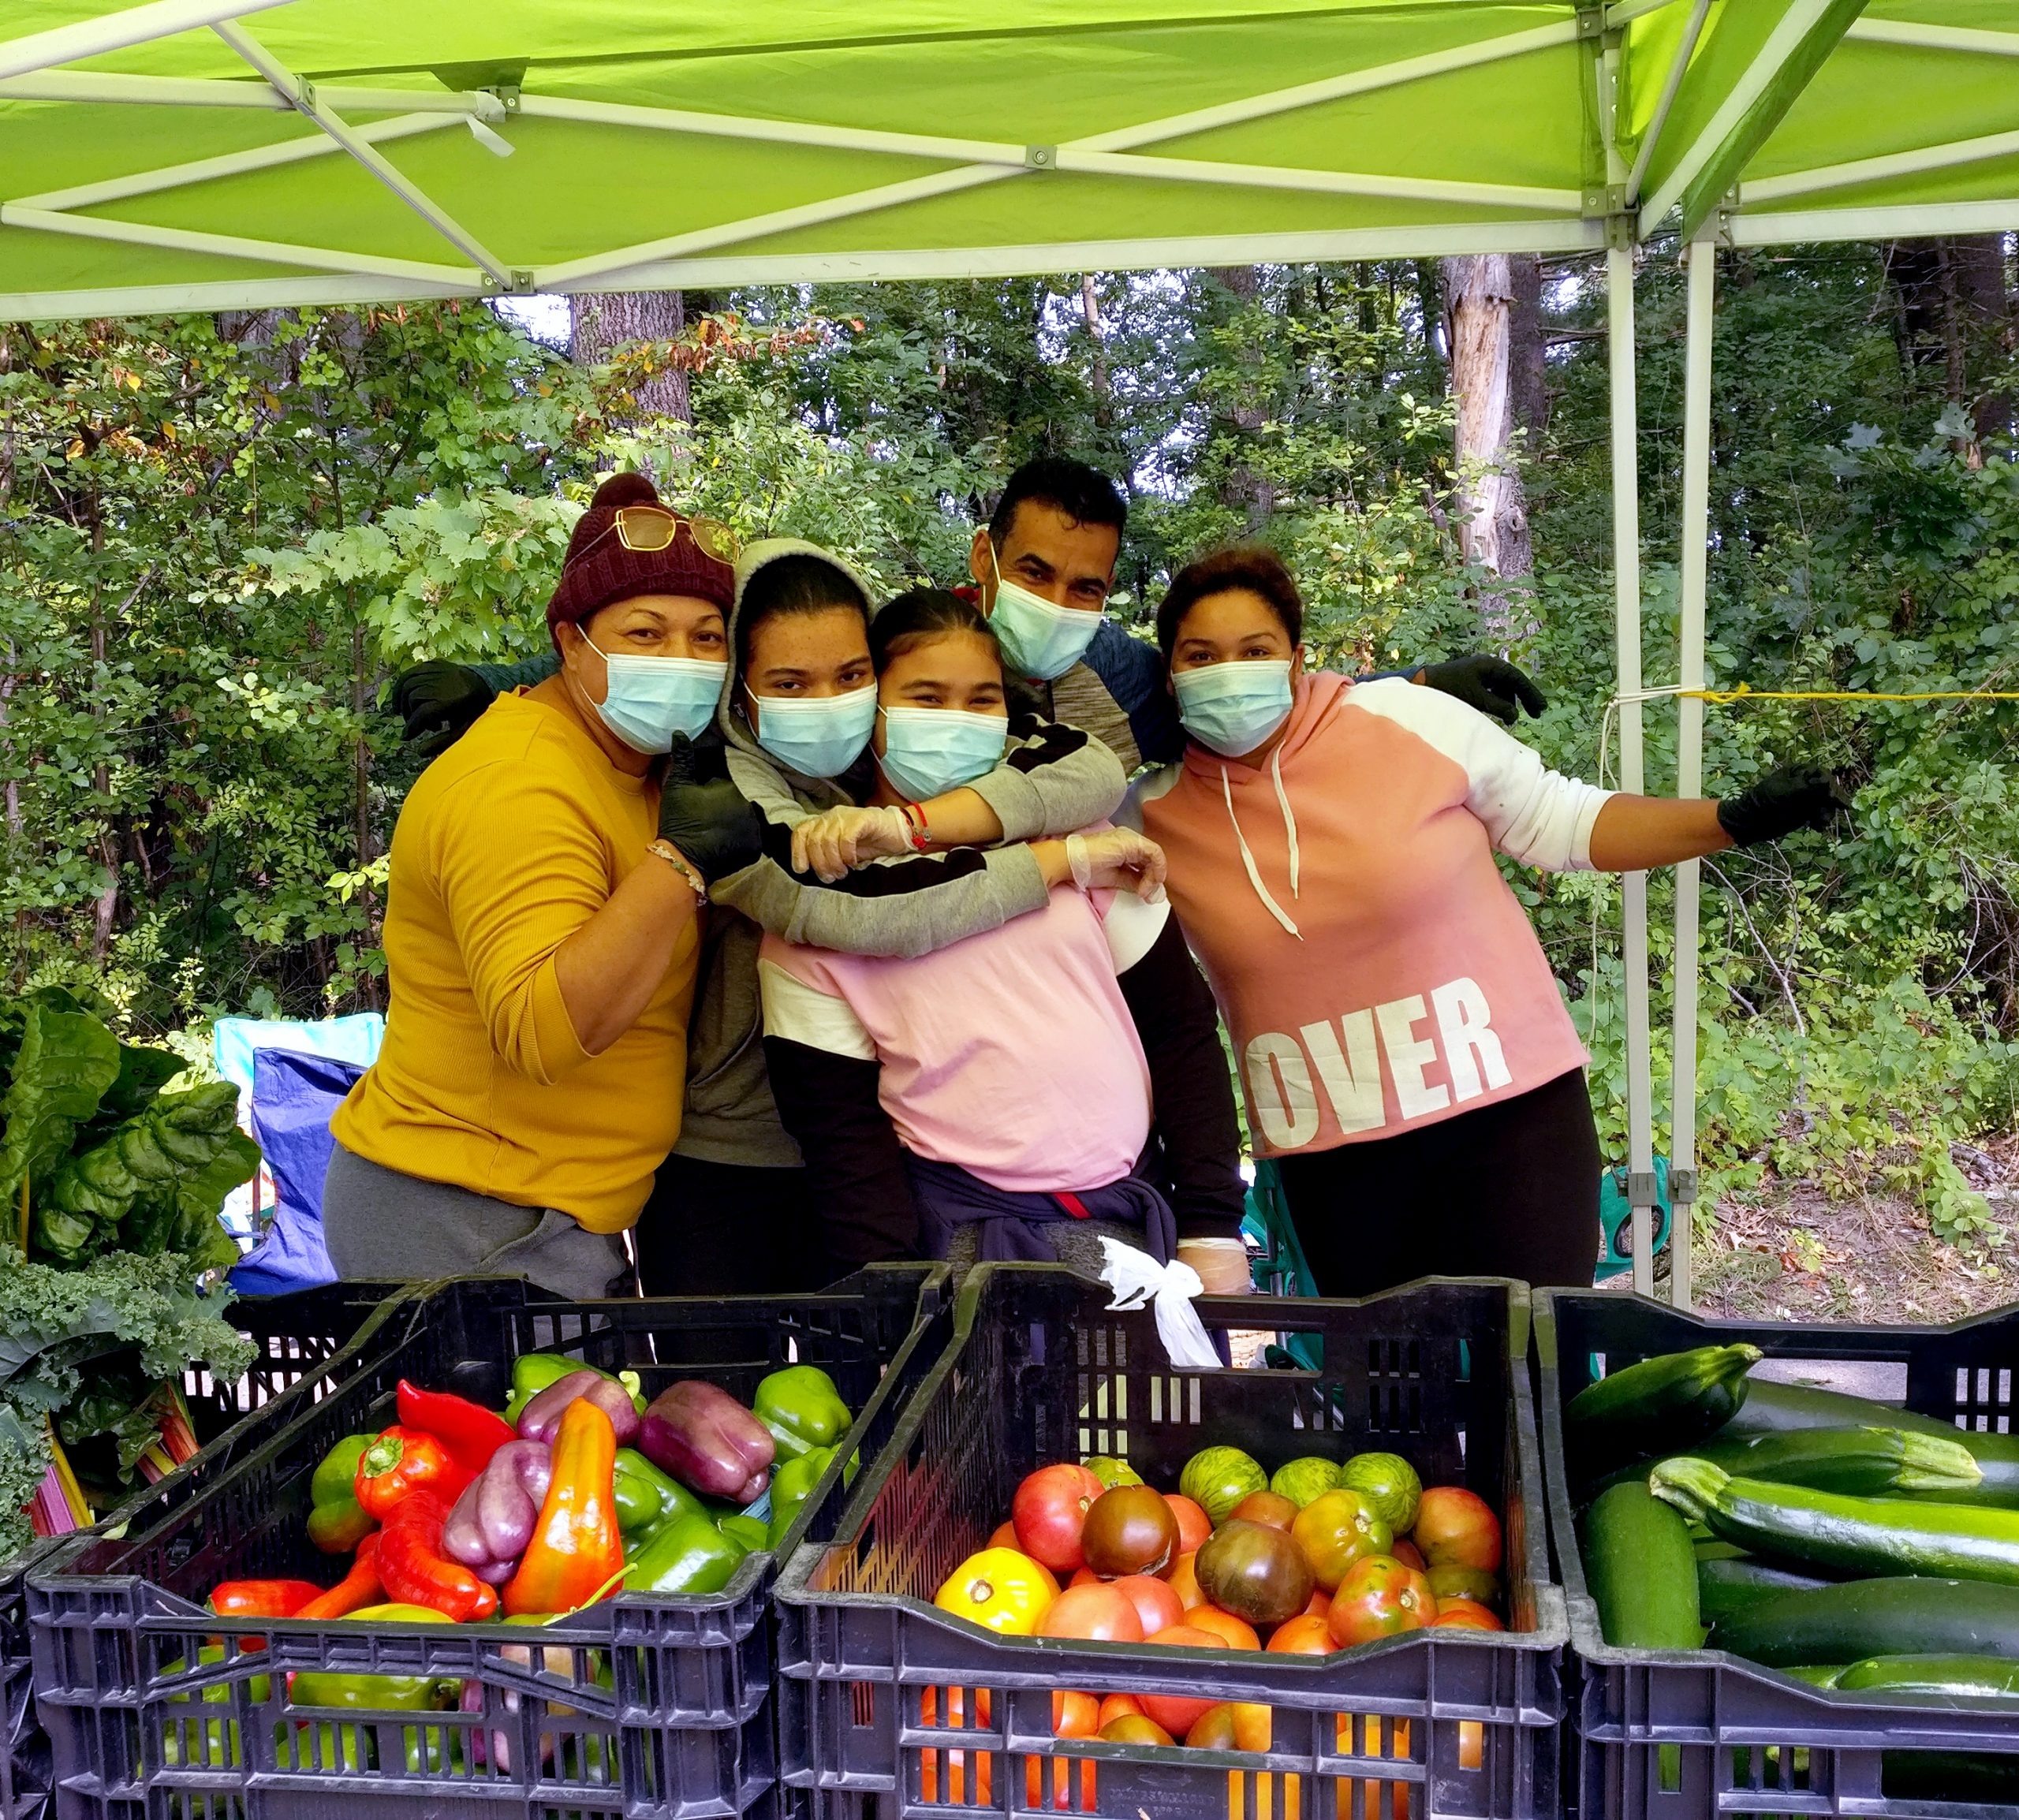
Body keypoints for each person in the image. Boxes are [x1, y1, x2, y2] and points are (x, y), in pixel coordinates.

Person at [1130, 546, 1857, 1297]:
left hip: (1509, 1114)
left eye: (1255, 651)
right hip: (1330, 1149)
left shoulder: (1405, 717)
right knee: (1397, 1396)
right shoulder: (1147, 815)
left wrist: (1731, 820)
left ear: (1295, 659)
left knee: (1543, 1373)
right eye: (1201, 656)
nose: (1229, 673)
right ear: (1170, 674)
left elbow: (1564, 821)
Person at [643, 539, 1166, 1293]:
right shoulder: (720, 795)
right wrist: (1060, 864)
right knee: (720, 1403)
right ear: (739, 688)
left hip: (885, 1158)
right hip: (735, 1150)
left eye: (851, 676)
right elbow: (854, 913)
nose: (827, 702)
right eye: (790, 682)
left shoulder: (887, 759)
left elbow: (1088, 768)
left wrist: (918, 824)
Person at [389, 458, 1546, 771]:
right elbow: (704, 656)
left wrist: (1422, 689)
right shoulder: (898, 640)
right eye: (1035, 571)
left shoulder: (1122, 681)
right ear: (983, 557)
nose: (1057, 604)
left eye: (1086, 586)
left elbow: (1248, 695)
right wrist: (500, 686)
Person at [757, 587, 1248, 1280]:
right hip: (964, 1249)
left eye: (981, 699)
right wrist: (896, 1294)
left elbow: (1181, 1033)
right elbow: (841, 1136)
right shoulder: (816, 912)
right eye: (927, 698)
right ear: (873, 711)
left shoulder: (1091, 847)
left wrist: (1213, 1226)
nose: (957, 721)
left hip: (1134, 1235)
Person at [323, 474, 721, 1296]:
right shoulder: (521, 781)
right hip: (470, 1221)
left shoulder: (633, 762)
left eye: (707, 637)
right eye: (645, 633)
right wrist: (682, 862)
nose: (680, 661)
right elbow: (543, 1028)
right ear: (573, 645)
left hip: (537, 1212)